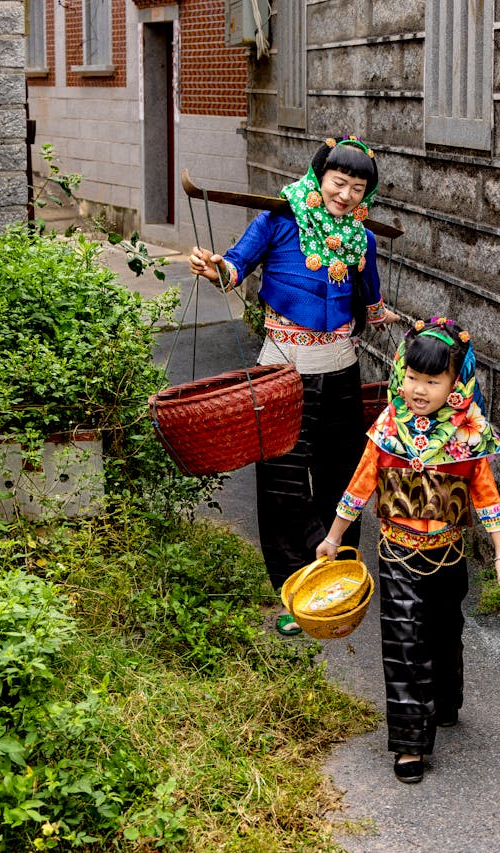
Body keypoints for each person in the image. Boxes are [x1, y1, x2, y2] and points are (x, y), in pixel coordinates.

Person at [189, 134, 397, 636]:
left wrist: (387, 316)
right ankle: (294, 589)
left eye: (357, 187)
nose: (346, 195)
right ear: (320, 178)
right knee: (283, 483)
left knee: (342, 478)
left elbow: (369, 300)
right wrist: (216, 268)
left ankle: (339, 581)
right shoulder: (279, 220)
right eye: (338, 182)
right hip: (284, 369)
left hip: (341, 368)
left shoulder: (361, 239)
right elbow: (235, 267)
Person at [315, 316, 500, 784]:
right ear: (400, 372)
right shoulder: (388, 427)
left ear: (455, 382)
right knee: (403, 642)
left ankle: (445, 701)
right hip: (396, 555)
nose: (419, 389)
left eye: (432, 380)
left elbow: (485, 494)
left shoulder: (468, 433)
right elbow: (361, 483)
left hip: (448, 554)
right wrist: (334, 536)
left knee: (444, 630)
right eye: (411, 377)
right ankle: (409, 744)